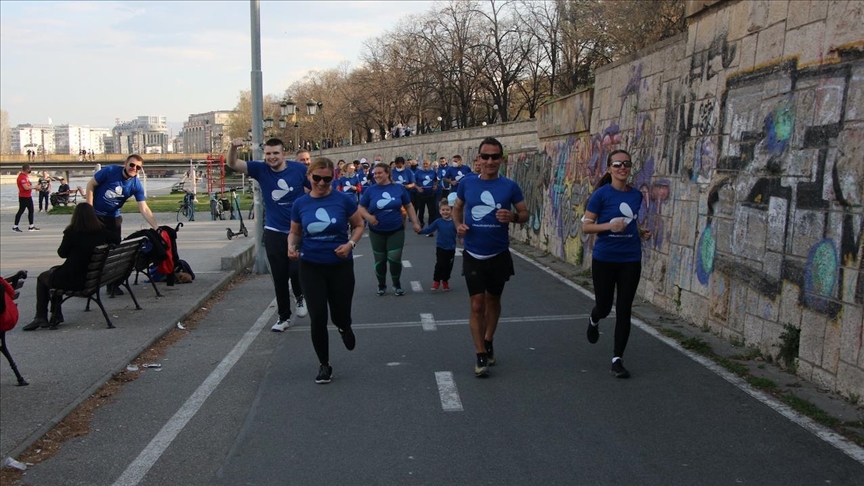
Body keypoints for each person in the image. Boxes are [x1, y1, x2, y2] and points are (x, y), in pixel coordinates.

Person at [453, 137, 528, 377]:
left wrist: (513, 218)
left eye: (495, 156)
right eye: (485, 156)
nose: (490, 161)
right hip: (473, 252)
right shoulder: (467, 184)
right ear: (478, 159)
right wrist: (458, 226)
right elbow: (457, 208)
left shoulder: (509, 186)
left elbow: (525, 213)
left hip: (498, 253)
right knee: (476, 304)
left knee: (493, 301)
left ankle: (488, 340)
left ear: (502, 159)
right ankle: (480, 354)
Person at [288, 158, 365, 384]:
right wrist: (291, 246)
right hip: (311, 266)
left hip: (340, 266)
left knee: (339, 315)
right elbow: (294, 232)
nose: (322, 183)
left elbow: (359, 225)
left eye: (327, 179)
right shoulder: (300, 204)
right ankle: (324, 364)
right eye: (317, 178)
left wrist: (350, 244)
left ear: (334, 178)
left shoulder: (343, 200)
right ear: (309, 176)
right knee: (318, 316)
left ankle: (344, 327)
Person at [582, 149, 651, 379]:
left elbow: (630, 223)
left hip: (630, 259)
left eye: (627, 164)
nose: (623, 168)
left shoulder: (636, 196)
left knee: (624, 309)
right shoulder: (601, 195)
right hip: (604, 258)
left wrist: (642, 232)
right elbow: (587, 226)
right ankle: (594, 318)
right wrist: (609, 227)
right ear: (609, 168)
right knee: (604, 306)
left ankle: (617, 359)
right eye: (618, 164)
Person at [228, 138, 310, 331]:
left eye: (275, 153)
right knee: (280, 276)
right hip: (273, 230)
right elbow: (232, 163)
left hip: (297, 229)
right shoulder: (260, 169)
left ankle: (300, 296)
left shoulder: (298, 169)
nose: (272, 157)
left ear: (283, 154)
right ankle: (283, 317)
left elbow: (315, 187)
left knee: (294, 269)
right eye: (268, 154)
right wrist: (233, 147)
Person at [22, 203, 110, 330]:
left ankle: (41, 316)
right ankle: (56, 314)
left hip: (75, 280)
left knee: (43, 278)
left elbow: (62, 253)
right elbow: (115, 239)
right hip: (92, 278)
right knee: (55, 272)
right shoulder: (102, 231)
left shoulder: (72, 232)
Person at [359, 162, 422, 296]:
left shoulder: (398, 188)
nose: (376, 176)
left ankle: (396, 284)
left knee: (394, 259)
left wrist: (415, 222)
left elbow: (409, 206)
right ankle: (381, 285)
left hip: (396, 229)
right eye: (375, 173)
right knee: (380, 260)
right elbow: (361, 208)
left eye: (379, 173)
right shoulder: (370, 190)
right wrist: (369, 218)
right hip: (377, 231)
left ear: (387, 173)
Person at [86, 154, 159, 245]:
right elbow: (90, 185)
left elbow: (144, 208)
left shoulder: (136, 185)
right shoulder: (110, 171)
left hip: (113, 218)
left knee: (114, 248)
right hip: (95, 215)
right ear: (125, 164)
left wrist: (156, 228)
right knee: (92, 246)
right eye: (132, 165)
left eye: (138, 167)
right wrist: (89, 210)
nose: (134, 168)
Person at [419, 198, 457, 291]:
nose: (445, 212)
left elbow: (460, 233)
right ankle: (436, 281)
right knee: (440, 264)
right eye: (443, 210)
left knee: (448, 266)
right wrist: (420, 231)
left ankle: (445, 281)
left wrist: (462, 238)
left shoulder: (455, 222)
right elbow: (429, 229)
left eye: (447, 210)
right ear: (440, 211)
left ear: (451, 211)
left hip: (451, 248)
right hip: (440, 247)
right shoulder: (438, 221)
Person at [414, 159, 439, 234]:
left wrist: (435, 185)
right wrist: (418, 188)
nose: (425, 165)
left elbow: (436, 180)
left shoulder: (433, 172)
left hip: (430, 194)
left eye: (427, 164)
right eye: (424, 164)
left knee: (431, 212)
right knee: (421, 211)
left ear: (429, 164)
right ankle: (421, 222)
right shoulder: (418, 173)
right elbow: (413, 183)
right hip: (421, 195)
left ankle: (430, 228)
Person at [13, 164, 39, 232]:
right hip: (24, 197)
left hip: (28, 196)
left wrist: (35, 188)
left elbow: (29, 185)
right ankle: (15, 227)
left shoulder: (26, 176)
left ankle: (31, 226)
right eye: (29, 169)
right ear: (27, 169)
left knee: (31, 210)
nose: (30, 170)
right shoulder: (21, 177)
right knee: (21, 211)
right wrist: (35, 187)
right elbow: (26, 187)